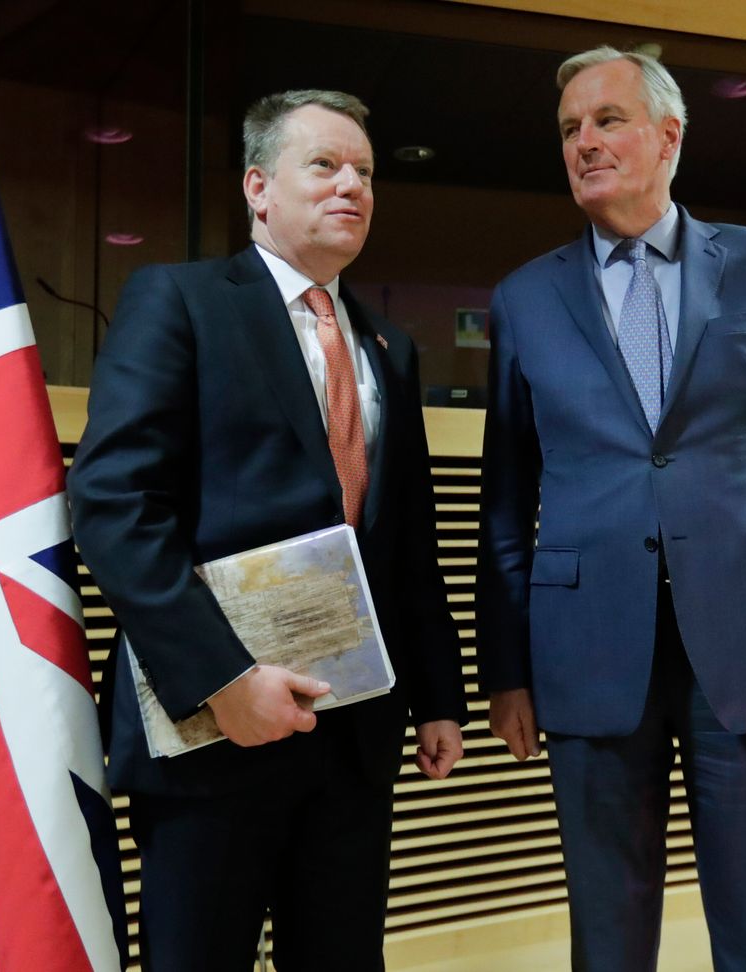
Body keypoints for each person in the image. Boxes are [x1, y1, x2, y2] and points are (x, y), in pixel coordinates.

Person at [476, 47, 746, 971]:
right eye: (571, 129)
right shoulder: (524, 299)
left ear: (669, 137)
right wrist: (505, 671)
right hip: (584, 651)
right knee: (608, 939)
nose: (585, 143)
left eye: (608, 120)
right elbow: (503, 510)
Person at [68, 89, 466, 972]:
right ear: (258, 185)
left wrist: (438, 694)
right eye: (323, 165)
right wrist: (223, 680)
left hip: (355, 738)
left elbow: (409, 547)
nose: (351, 187)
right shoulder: (181, 301)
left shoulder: (390, 348)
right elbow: (113, 505)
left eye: (364, 172)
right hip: (216, 734)